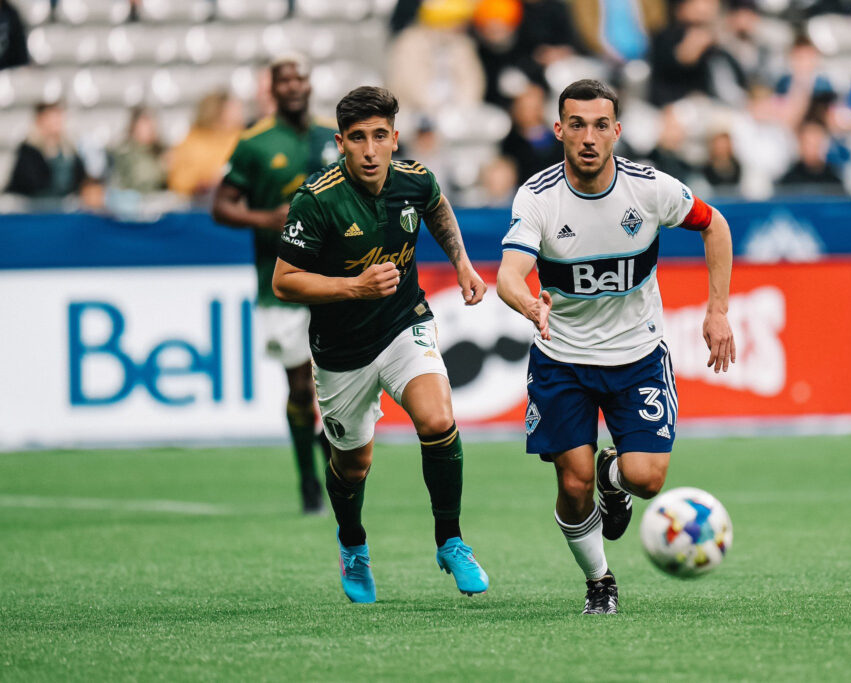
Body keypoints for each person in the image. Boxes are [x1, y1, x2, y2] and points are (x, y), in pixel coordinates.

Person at [496, 79, 735, 614]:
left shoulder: (650, 188)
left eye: (600, 125)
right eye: (576, 124)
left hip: (638, 355)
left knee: (648, 479)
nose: (588, 137)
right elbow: (510, 276)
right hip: (564, 359)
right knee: (572, 481)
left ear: (617, 131)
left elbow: (714, 225)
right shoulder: (538, 196)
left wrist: (717, 310)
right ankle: (599, 579)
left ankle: (615, 475)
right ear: (558, 129)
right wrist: (532, 306)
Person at [271, 85, 490, 603]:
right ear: (341, 142)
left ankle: (451, 540)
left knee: (438, 420)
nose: (370, 150)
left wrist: (460, 263)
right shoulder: (317, 199)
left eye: (379, 136)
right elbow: (284, 280)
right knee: (354, 465)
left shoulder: (415, 180)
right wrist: (353, 286)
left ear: (395, 137)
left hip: (402, 324)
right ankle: (353, 545)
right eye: (357, 139)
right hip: (342, 350)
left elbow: (437, 209)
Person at [212, 54, 339, 514]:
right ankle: (308, 479)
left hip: (335, 277)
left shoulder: (334, 136)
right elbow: (220, 205)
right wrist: (265, 218)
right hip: (280, 282)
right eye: (283, 79)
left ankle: (338, 472)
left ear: (309, 83)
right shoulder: (254, 143)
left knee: (337, 383)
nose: (292, 86)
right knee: (301, 388)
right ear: (271, 88)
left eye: (299, 77)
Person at [168, 90, 244, 198]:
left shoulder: (241, 137)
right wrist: (202, 183)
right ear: (218, 110)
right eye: (232, 108)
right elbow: (178, 181)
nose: (238, 112)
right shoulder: (193, 140)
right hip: (199, 205)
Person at [6, 101, 86, 198]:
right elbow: (29, 184)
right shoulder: (28, 151)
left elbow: (81, 180)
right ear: (40, 120)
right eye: (51, 118)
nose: (57, 122)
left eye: (58, 117)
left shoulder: (70, 151)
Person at [109, 106, 167, 193]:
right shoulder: (125, 153)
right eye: (145, 124)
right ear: (134, 126)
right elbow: (140, 179)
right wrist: (161, 169)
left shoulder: (159, 151)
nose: (150, 129)